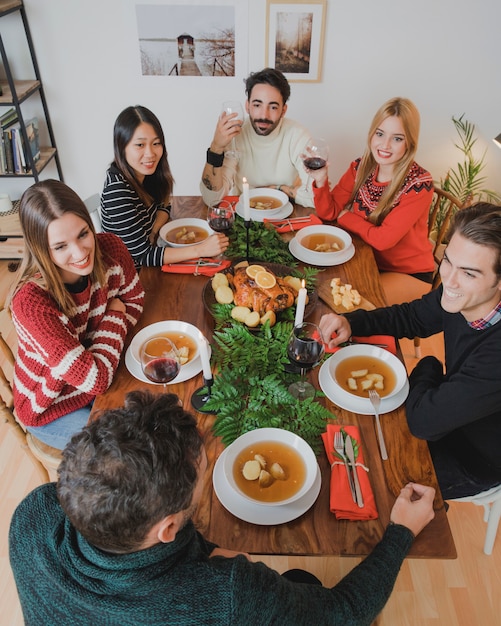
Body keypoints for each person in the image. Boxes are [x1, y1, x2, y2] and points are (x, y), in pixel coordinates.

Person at [9, 390, 435, 626]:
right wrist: (400, 531)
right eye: (202, 478)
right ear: (168, 527)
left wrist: (209, 556)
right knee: (307, 583)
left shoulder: (31, 516)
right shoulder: (229, 594)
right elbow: (347, 613)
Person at [319, 202, 501, 500]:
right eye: (448, 262)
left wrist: (428, 365)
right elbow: (412, 317)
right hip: (447, 408)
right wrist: (351, 321)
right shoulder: (460, 295)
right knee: (342, 433)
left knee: (368, 483)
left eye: (469, 273)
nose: (450, 281)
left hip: (473, 456)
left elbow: (423, 422)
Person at [6, 180, 145, 450]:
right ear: (40, 249)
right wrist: (114, 318)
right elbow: (95, 379)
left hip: (101, 367)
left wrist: (96, 355)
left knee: (157, 415)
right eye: (60, 246)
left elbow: (135, 299)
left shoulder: (112, 250)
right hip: (51, 408)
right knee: (126, 453)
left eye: (83, 234)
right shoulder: (31, 303)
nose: (80, 253)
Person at [309, 97, 435, 286]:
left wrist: (346, 217)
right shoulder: (360, 167)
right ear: (371, 134)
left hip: (407, 273)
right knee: (320, 284)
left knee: (354, 305)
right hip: (366, 257)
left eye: (397, 138)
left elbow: (382, 240)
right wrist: (320, 180)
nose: (385, 145)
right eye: (380, 134)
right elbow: (329, 212)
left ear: (409, 143)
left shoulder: (419, 185)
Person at [101, 105, 229, 267]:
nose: (150, 153)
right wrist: (200, 249)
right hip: (130, 276)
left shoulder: (146, 173)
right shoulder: (117, 191)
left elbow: (165, 205)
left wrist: (153, 232)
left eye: (156, 143)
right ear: (121, 147)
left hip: (152, 257)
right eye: (140, 145)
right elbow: (143, 256)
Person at [201, 67, 316, 208]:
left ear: (283, 110)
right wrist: (216, 147)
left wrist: (278, 190)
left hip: (288, 211)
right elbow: (211, 199)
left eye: (273, 107)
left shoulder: (298, 135)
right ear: (247, 106)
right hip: (245, 213)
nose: (264, 115)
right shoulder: (235, 134)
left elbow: (314, 198)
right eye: (257, 105)